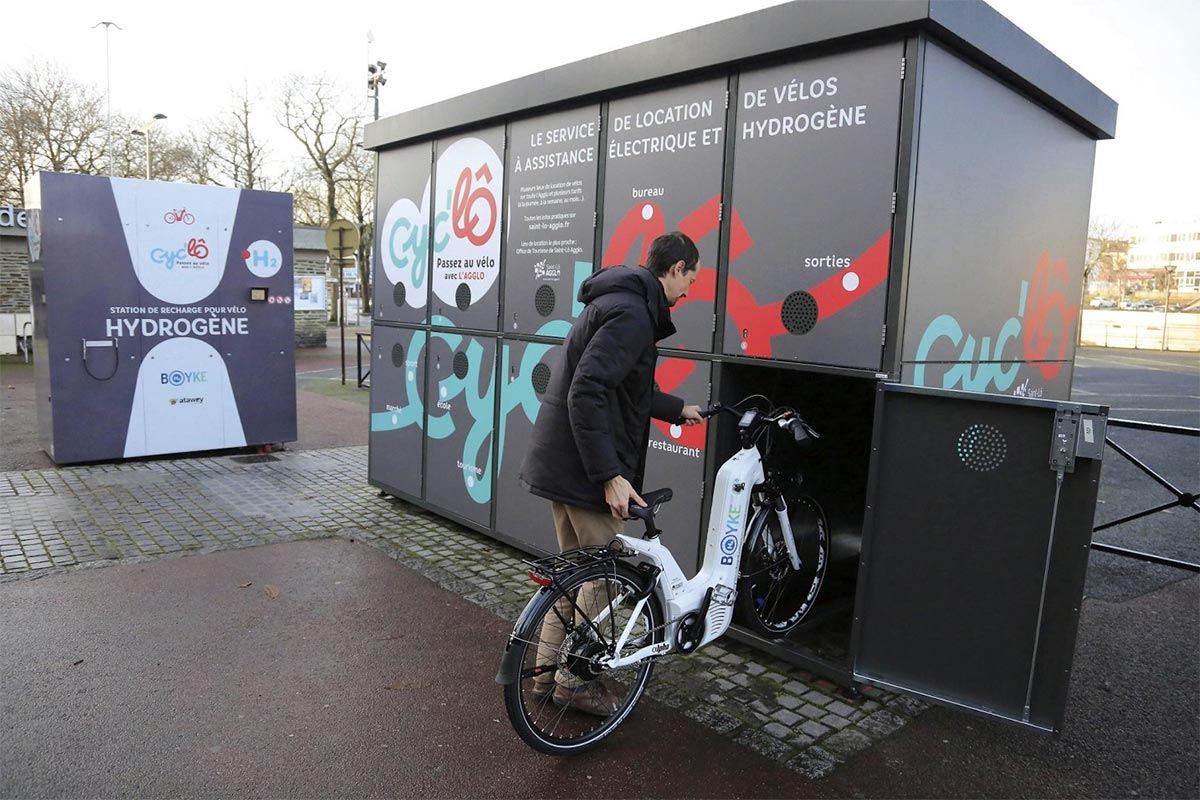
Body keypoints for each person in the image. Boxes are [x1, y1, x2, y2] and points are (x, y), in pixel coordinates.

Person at [520, 231, 704, 715]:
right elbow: (589, 391)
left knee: (575, 578)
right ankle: (571, 682)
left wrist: (675, 407)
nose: (688, 292)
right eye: (690, 279)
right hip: (584, 472)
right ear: (676, 268)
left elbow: (622, 388)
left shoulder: (620, 301)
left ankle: (544, 674)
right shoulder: (634, 314)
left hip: (564, 461)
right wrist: (609, 475)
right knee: (602, 580)